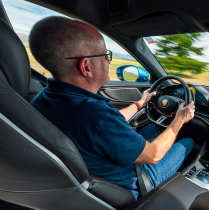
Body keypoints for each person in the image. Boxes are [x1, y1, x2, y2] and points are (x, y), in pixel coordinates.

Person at [29, 16, 195, 199]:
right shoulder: (94, 113)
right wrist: (180, 120)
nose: (108, 61)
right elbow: (154, 155)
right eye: (106, 55)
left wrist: (139, 104)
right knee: (187, 141)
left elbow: (105, 125)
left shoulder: (44, 99)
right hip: (133, 182)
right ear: (86, 66)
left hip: (93, 168)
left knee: (153, 127)